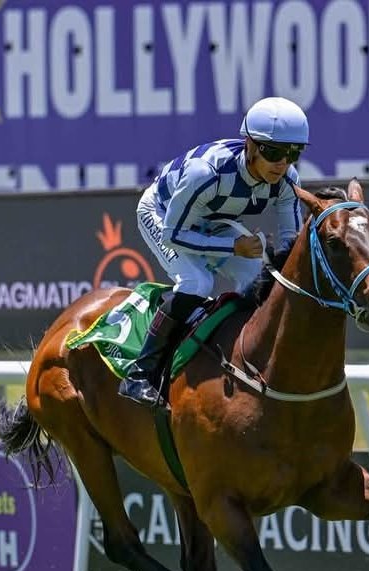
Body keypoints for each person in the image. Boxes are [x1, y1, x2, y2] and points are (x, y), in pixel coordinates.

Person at [119, 96, 309, 407]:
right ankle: (139, 375)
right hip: (163, 215)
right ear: (250, 145)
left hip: (213, 220)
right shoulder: (205, 173)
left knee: (259, 280)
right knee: (198, 283)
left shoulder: (288, 180)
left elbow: (292, 242)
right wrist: (233, 246)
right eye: (273, 152)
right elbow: (173, 235)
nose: (282, 163)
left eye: (293, 153)